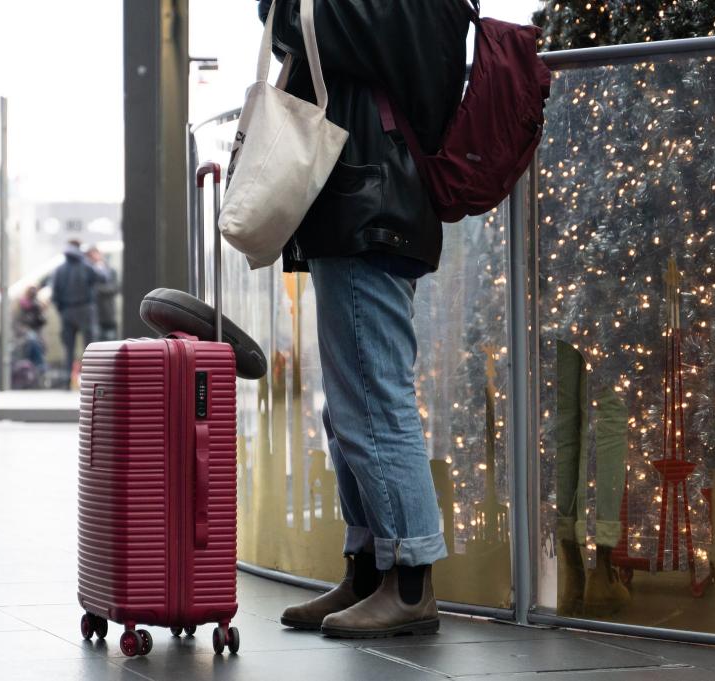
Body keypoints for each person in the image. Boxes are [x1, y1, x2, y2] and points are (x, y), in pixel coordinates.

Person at [260, 0, 473, 638]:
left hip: (371, 207)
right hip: (369, 204)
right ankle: (369, 568)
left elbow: (295, 22)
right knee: (351, 404)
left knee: (375, 402)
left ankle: (408, 580)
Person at [49, 240, 102, 388]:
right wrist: (98, 263)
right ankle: (91, 380)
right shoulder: (86, 266)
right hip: (85, 310)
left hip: (67, 311)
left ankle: (67, 381)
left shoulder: (59, 269)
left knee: (68, 349)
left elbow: (54, 295)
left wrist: (62, 310)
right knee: (90, 348)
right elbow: (103, 278)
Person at [13, 285, 48, 386]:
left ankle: (39, 370)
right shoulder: (21, 305)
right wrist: (26, 330)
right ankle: (41, 368)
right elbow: (16, 324)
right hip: (23, 336)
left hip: (36, 337)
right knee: (32, 339)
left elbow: (42, 322)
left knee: (35, 341)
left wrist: (41, 311)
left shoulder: (36, 306)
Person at [86, 246, 119, 341]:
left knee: (111, 340)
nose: (94, 258)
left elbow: (114, 288)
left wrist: (96, 288)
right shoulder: (88, 271)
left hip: (108, 313)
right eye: (91, 256)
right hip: (94, 315)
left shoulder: (110, 270)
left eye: (95, 255)